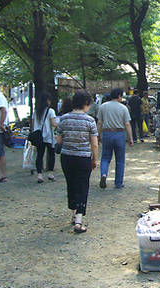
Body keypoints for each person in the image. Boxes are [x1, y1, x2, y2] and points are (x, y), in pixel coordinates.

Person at [56, 90, 98, 233]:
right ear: (86, 104)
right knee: (82, 186)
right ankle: (79, 221)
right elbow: (94, 144)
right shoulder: (90, 120)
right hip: (83, 158)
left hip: (67, 157)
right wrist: (94, 158)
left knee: (71, 184)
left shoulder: (64, 119)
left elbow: (59, 140)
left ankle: (73, 214)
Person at [97, 88, 133, 189]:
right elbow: (127, 124)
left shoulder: (103, 107)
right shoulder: (123, 108)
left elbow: (99, 122)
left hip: (106, 133)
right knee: (120, 160)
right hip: (119, 134)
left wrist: (98, 135)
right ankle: (118, 183)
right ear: (118, 96)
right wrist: (130, 138)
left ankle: (104, 174)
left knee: (105, 158)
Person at [32, 91, 58, 183]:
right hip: (48, 136)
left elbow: (33, 124)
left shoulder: (36, 111)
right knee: (51, 155)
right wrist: (59, 124)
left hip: (39, 137)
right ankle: (50, 173)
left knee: (39, 155)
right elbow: (53, 123)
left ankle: (39, 174)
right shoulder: (50, 111)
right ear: (47, 101)